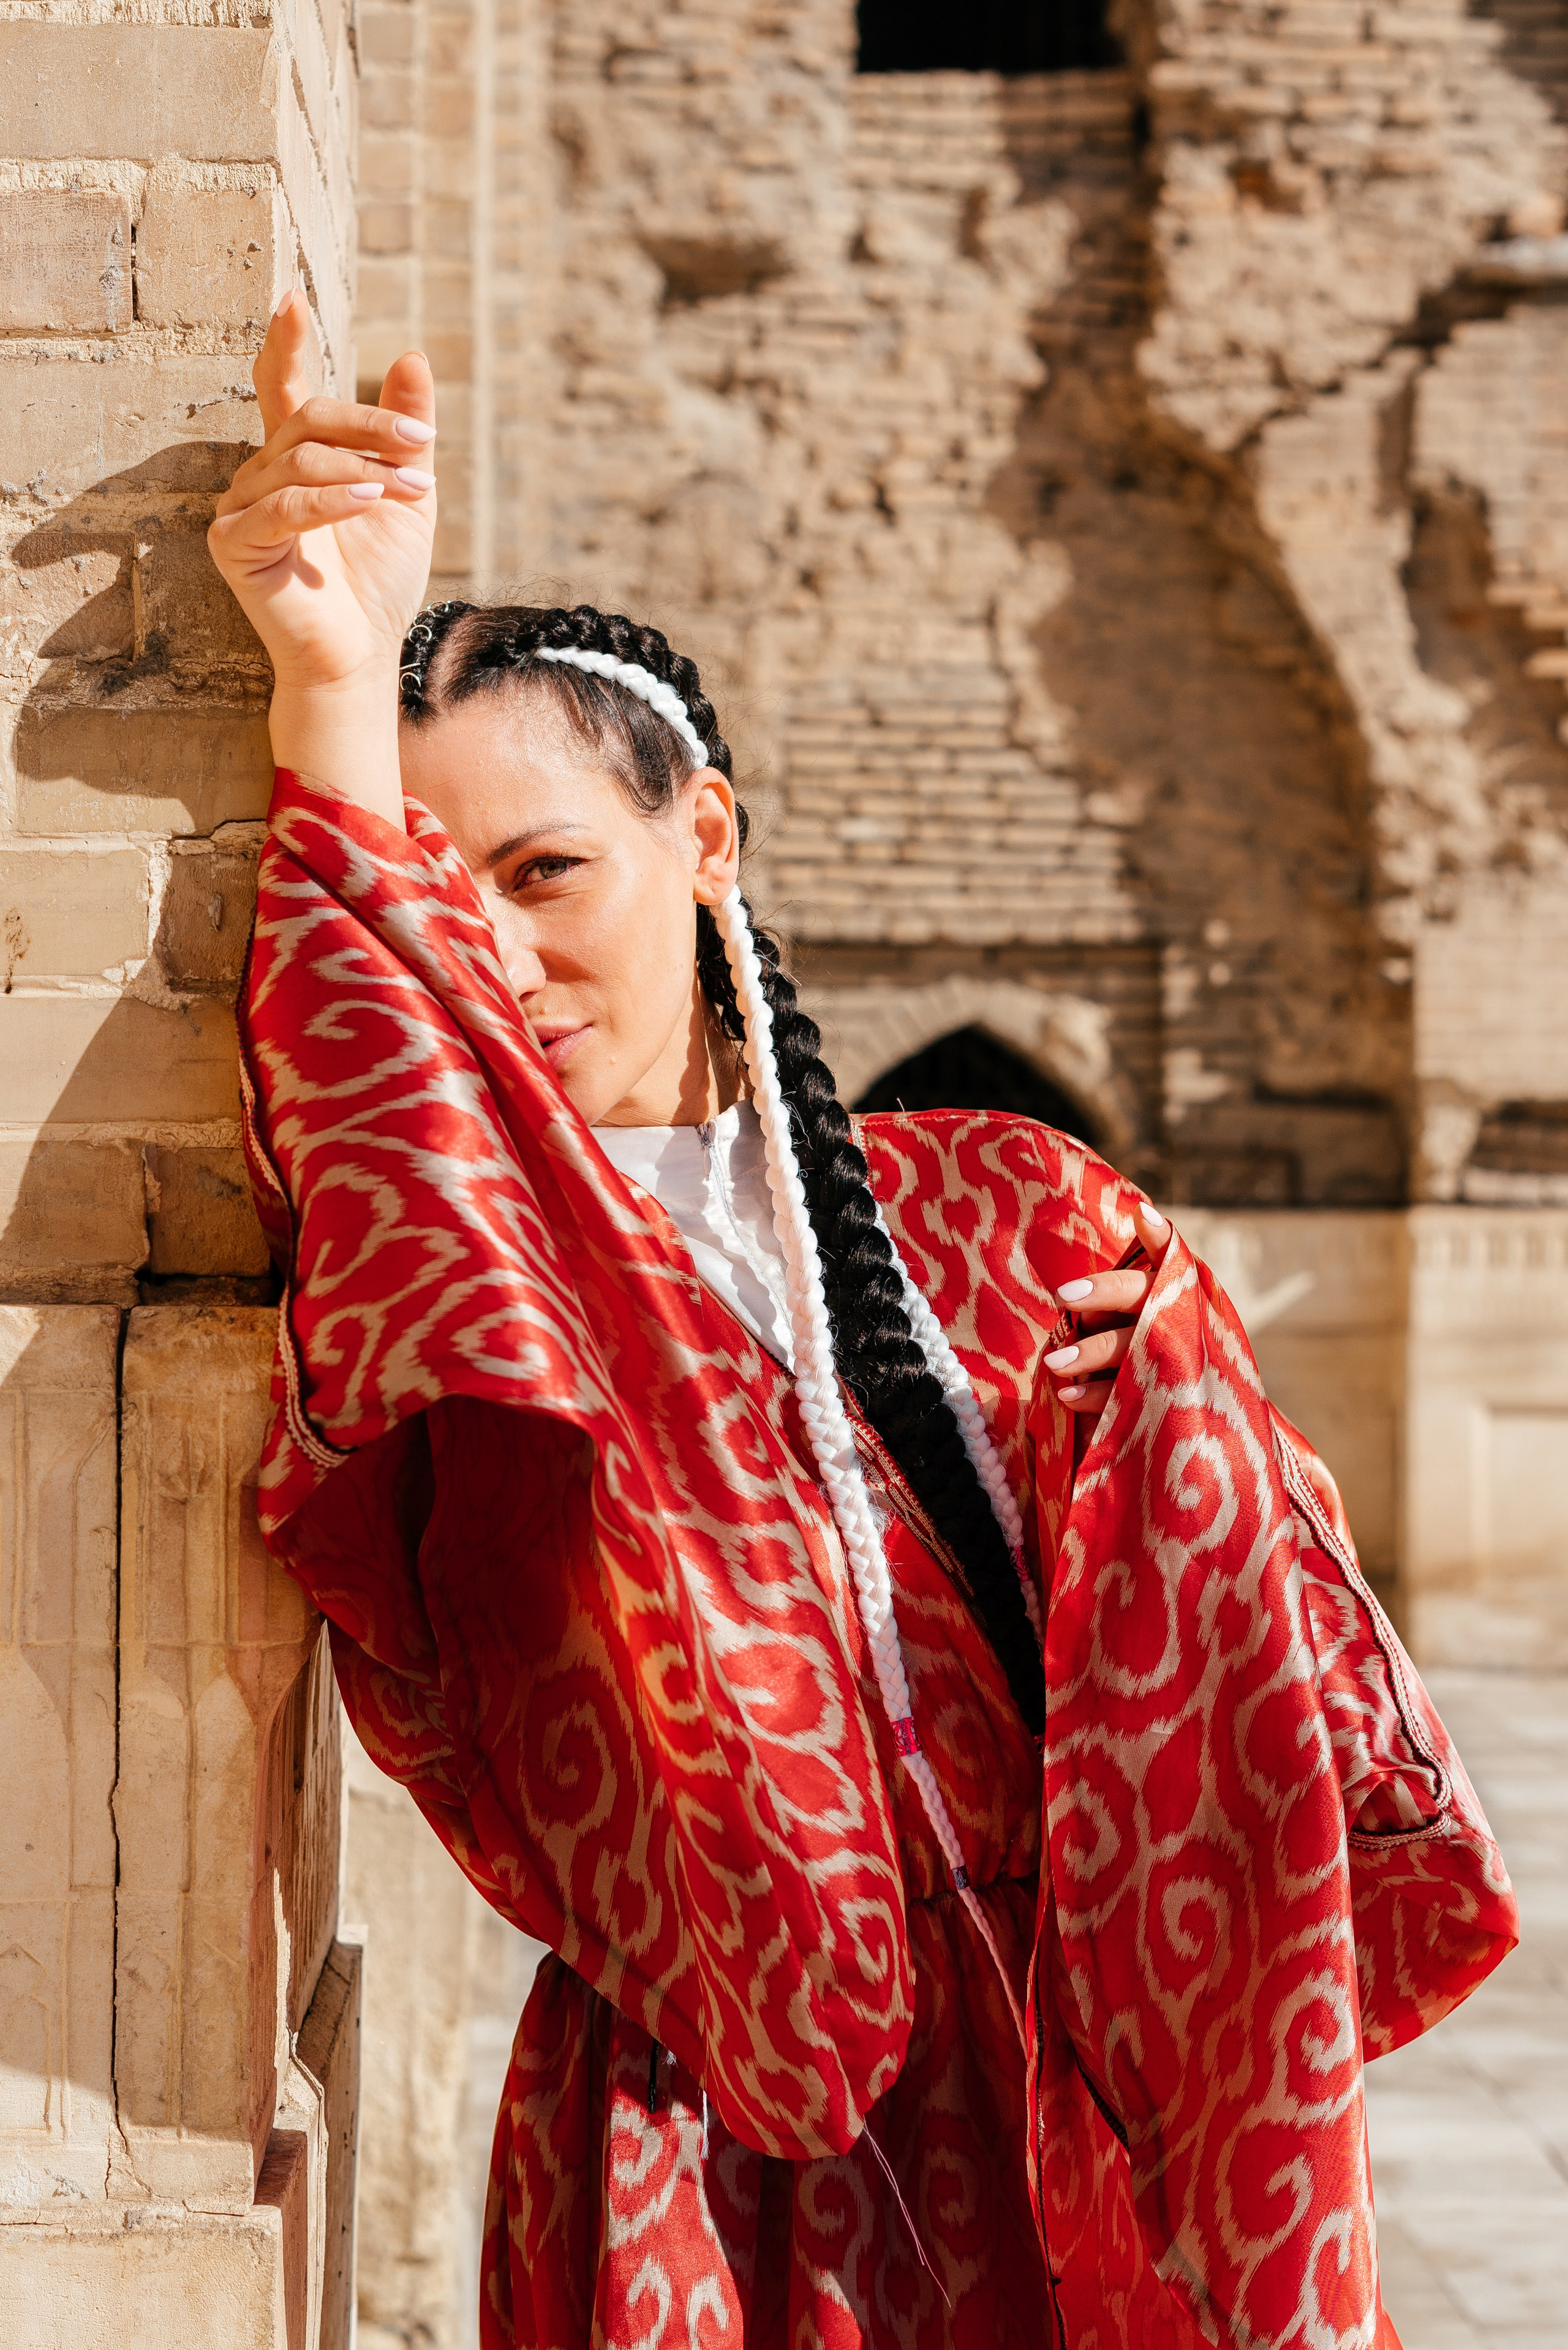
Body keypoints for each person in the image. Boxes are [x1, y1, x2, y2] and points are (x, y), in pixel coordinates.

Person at [209, 294, 1518, 2350]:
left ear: (701, 834)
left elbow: (1291, 1661)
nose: (513, 958)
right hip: (710, 2107)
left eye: (550, 872)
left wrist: (1214, 1446)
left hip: (1082, 2080)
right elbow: (375, 1056)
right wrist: (323, 677)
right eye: (457, 908)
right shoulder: (486, 1271)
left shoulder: (1010, 1205)